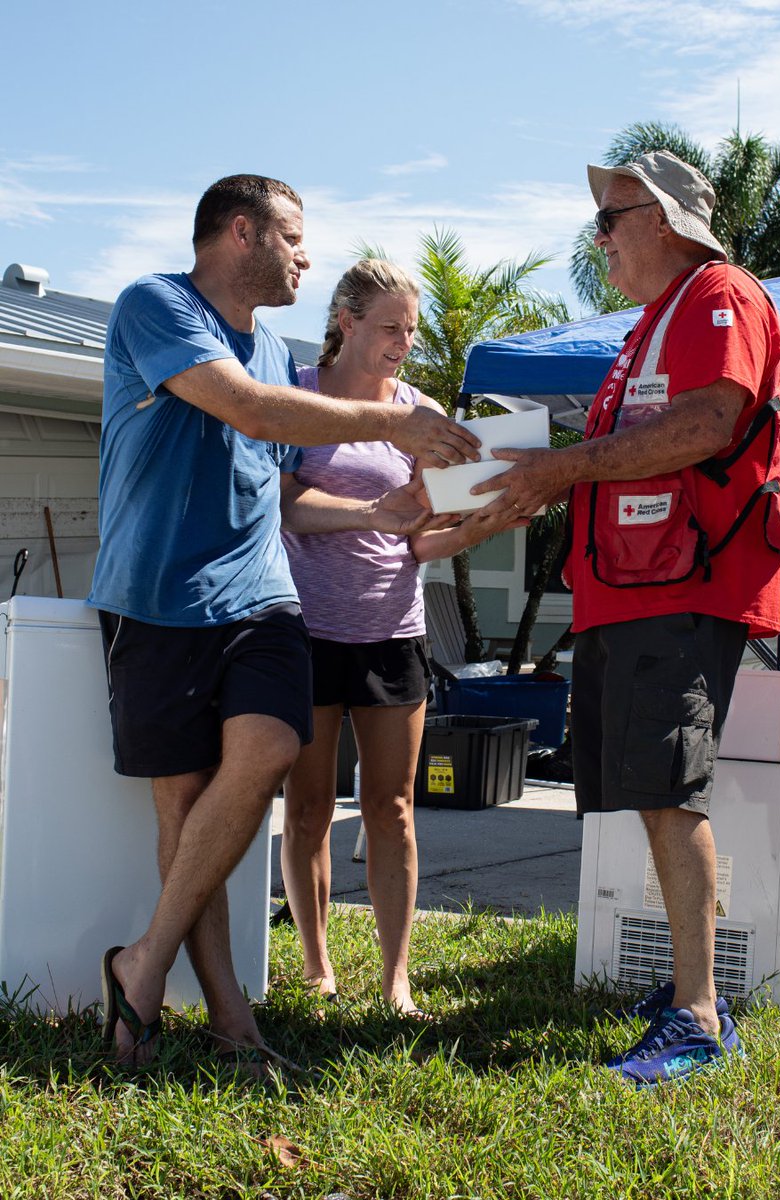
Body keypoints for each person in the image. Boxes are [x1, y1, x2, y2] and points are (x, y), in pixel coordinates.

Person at [89, 175, 480, 1069]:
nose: (306, 256)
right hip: (156, 598)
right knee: (186, 806)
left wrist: (435, 506)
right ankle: (225, 1015)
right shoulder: (157, 305)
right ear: (240, 231)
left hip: (262, 597)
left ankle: (145, 961)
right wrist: (396, 423)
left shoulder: (273, 348)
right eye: (294, 239)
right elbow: (252, 412)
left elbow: (276, 485)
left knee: (267, 750)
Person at [473, 150, 780, 1085]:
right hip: (632, 588)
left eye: (609, 219)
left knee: (668, 791)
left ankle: (697, 1014)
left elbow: (704, 426)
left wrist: (556, 469)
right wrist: (529, 478)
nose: (598, 239)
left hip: (684, 587)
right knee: (648, 791)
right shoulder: (654, 322)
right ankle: (692, 992)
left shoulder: (716, 293)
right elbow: (627, 451)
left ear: (665, 218)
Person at [279, 258, 524, 1017]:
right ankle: (319, 966)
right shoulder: (297, 392)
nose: (403, 343)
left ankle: (396, 978)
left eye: (410, 330)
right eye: (390, 327)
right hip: (306, 630)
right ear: (346, 321)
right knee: (309, 803)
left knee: (391, 807)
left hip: (391, 631)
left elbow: (418, 540)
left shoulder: (418, 410)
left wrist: (479, 524)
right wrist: (369, 513)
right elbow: (283, 505)